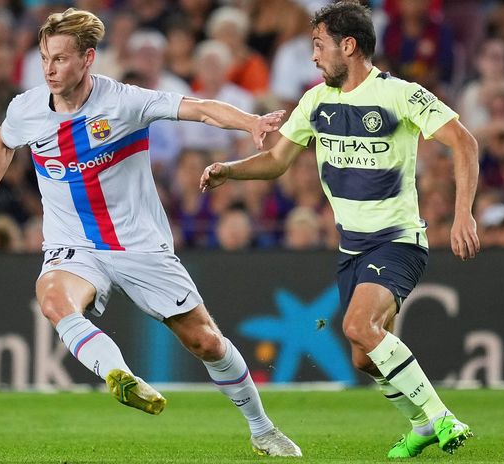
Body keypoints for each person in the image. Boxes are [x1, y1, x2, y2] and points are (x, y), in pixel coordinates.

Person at [0, 8, 301, 458]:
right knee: (54, 299)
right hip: (73, 243)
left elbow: (200, 109)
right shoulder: (27, 108)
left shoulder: (124, 102)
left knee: (205, 342)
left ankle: (262, 429)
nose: (50, 69)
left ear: (88, 58)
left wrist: (249, 122)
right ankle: (120, 376)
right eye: (44, 58)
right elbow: (2, 141)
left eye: (59, 59)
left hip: (139, 245)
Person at [200, 2, 479, 459]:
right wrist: (229, 171)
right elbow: (276, 161)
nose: (313, 56)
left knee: (357, 324)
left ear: (348, 46)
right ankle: (422, 424)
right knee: (364, 355)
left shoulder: (400, 95)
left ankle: (442, 415)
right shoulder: (316, 100)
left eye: (318, 45)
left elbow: (463, 142)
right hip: (352, 247)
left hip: (397, 240)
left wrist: (464, 213)